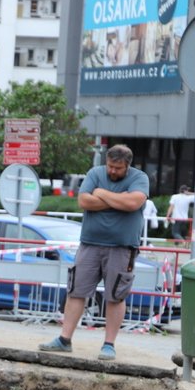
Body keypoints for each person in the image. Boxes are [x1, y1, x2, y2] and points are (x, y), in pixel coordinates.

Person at [39, 145, 148, 361]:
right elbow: (83, 201)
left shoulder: (140, 178)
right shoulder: (94, 173)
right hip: (89, 243)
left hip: (122, 247)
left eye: (118, 168)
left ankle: (109, 345)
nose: (112, 171)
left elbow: (133, 203)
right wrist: (118, 200)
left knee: (115, 295)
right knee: (76, 290)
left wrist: (102, 194)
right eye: (110, 166)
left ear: (127, 165)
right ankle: (64, 339)